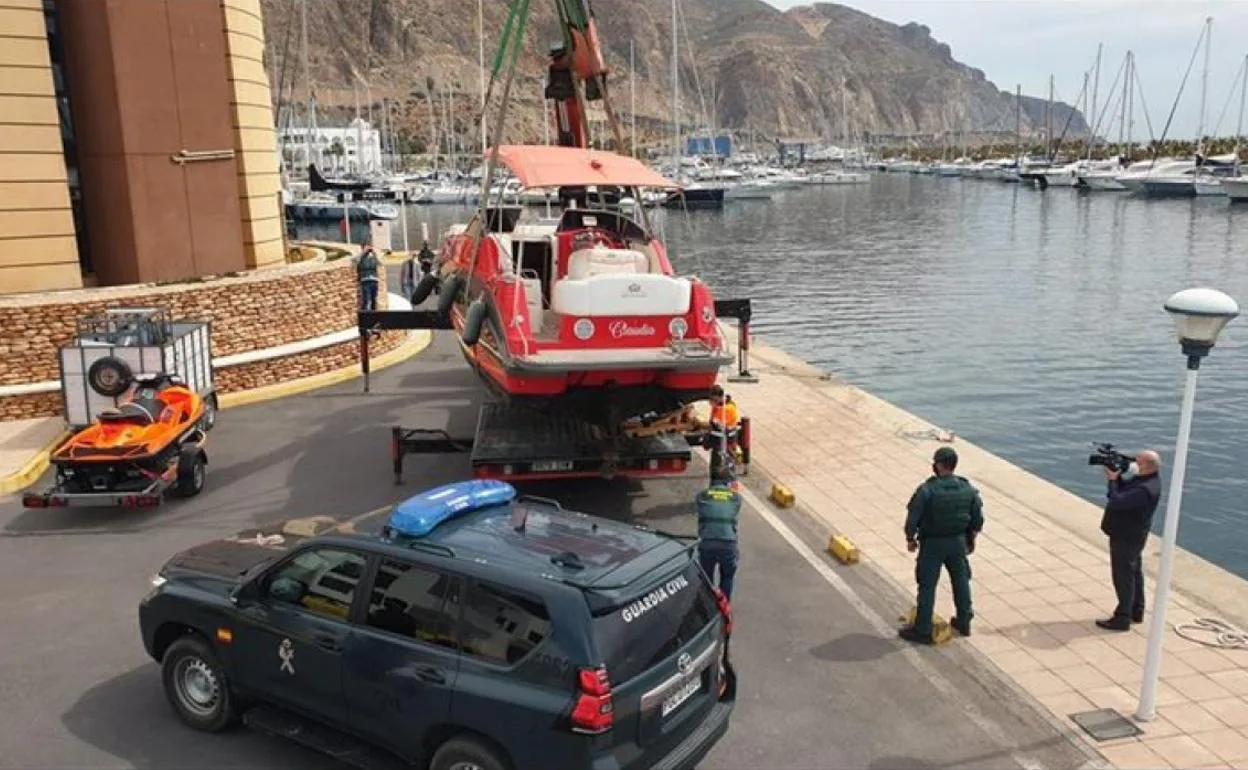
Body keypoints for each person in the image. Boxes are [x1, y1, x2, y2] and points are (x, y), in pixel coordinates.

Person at [899, 446, 984, 644]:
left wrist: (910, 539)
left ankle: (922, 629)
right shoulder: (968, 489)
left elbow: (913, 518)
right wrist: (971, 540)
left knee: (927, 586)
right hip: (957, 542)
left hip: (932, 544)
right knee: (961, 581)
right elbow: (977, 520)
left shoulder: (927, 490)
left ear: (938, 465)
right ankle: (964, 621)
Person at [1097, 450, 1162, 631]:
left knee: (1123, 576)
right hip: (1131, 534)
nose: (1134, 462)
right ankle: (1136, 609)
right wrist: (1116, 477)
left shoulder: (1145, 489)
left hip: (1127, 536)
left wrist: (1111, 481)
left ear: (1146, 465)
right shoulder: (1143, 481)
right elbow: (1123, 490)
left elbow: (1117, 500)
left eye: (1138, 460)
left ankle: (1122, 617)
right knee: (1133, 572)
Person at [696, 465, 742, 600]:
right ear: (728, 482)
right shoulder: (736, 498)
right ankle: (724, 604)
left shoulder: (702, 495)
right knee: (727, 576)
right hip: (728, 543)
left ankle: (707, 604)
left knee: (706, 579)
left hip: (707, 543)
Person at [355, 244, 381, 311]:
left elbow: (380, 263)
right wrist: (363, 253)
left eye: (369, 247)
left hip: (374, 280)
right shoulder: (360, 257)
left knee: (374, 300)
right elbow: (355, 261)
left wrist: (374, 253)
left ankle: (374, 315)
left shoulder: (373, 256)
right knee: (366, 300)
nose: (368, 249)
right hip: (365, 281)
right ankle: (365, 316)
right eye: (367, 247)